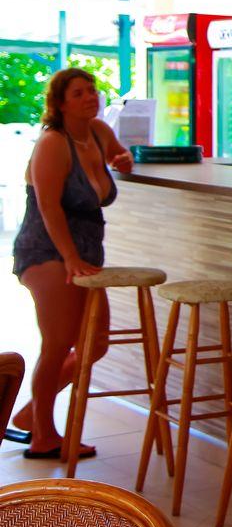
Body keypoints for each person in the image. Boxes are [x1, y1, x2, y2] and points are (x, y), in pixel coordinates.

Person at [8, 68, 134, 459]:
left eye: (91, 90)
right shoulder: (53, 142)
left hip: (85, 255)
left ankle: (32, 413)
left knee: (96, 343)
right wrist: (70, 259)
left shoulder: (97, 131)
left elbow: (118, 155)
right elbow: (48, 207)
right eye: (78, 93)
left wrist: (123, 159)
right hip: (47, 251)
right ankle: (44, 436)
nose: (89, 97)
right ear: (60, 103)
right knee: (59, 342)